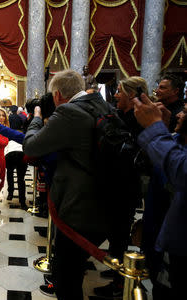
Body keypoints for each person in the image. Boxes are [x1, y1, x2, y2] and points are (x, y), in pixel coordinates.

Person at [23, 69, 110, 300]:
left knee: (66, 278)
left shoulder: (69, 112)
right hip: (104, 198)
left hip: (77, 206)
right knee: (75, 269)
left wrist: (36, 118)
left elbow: (31, 147)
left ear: (58, 94)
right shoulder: (100, 104)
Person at [94, 76, 146, 298]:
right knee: (114, 235)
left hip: (125, 186)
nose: (115, 95)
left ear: (132, 95)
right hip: (112, 183)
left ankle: (120, 283)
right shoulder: (120, 115)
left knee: (120, 234)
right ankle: (118, 272)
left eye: (119, 92)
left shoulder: (138, 118)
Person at [132, 93, 187, 300]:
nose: (180, 114)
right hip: (163, 231)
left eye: (186, 111)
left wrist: (155, 128)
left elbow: (181, 171)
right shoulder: (175, 138)